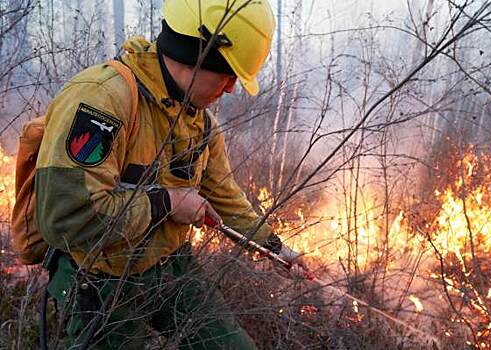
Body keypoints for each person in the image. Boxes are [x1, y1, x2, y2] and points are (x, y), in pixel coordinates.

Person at [35, 0, 308, 349]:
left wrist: (275, 248)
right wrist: (167, 202)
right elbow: (66, 217)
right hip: (103, 279)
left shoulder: (199, 121)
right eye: (227, 75)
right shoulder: (103, 100)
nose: (230, 89)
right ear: (197, 56)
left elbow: (225, 195)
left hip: (172, 267)